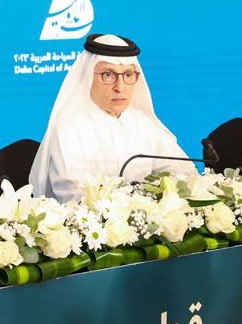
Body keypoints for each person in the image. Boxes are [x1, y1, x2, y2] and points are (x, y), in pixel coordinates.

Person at [29, 33, 196, 202]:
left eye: (128, 75)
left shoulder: (145, 125)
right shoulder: (68, 130)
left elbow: (184, 174)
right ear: (88, 77)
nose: (120, 87)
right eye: (108, 75)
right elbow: (74, 196)